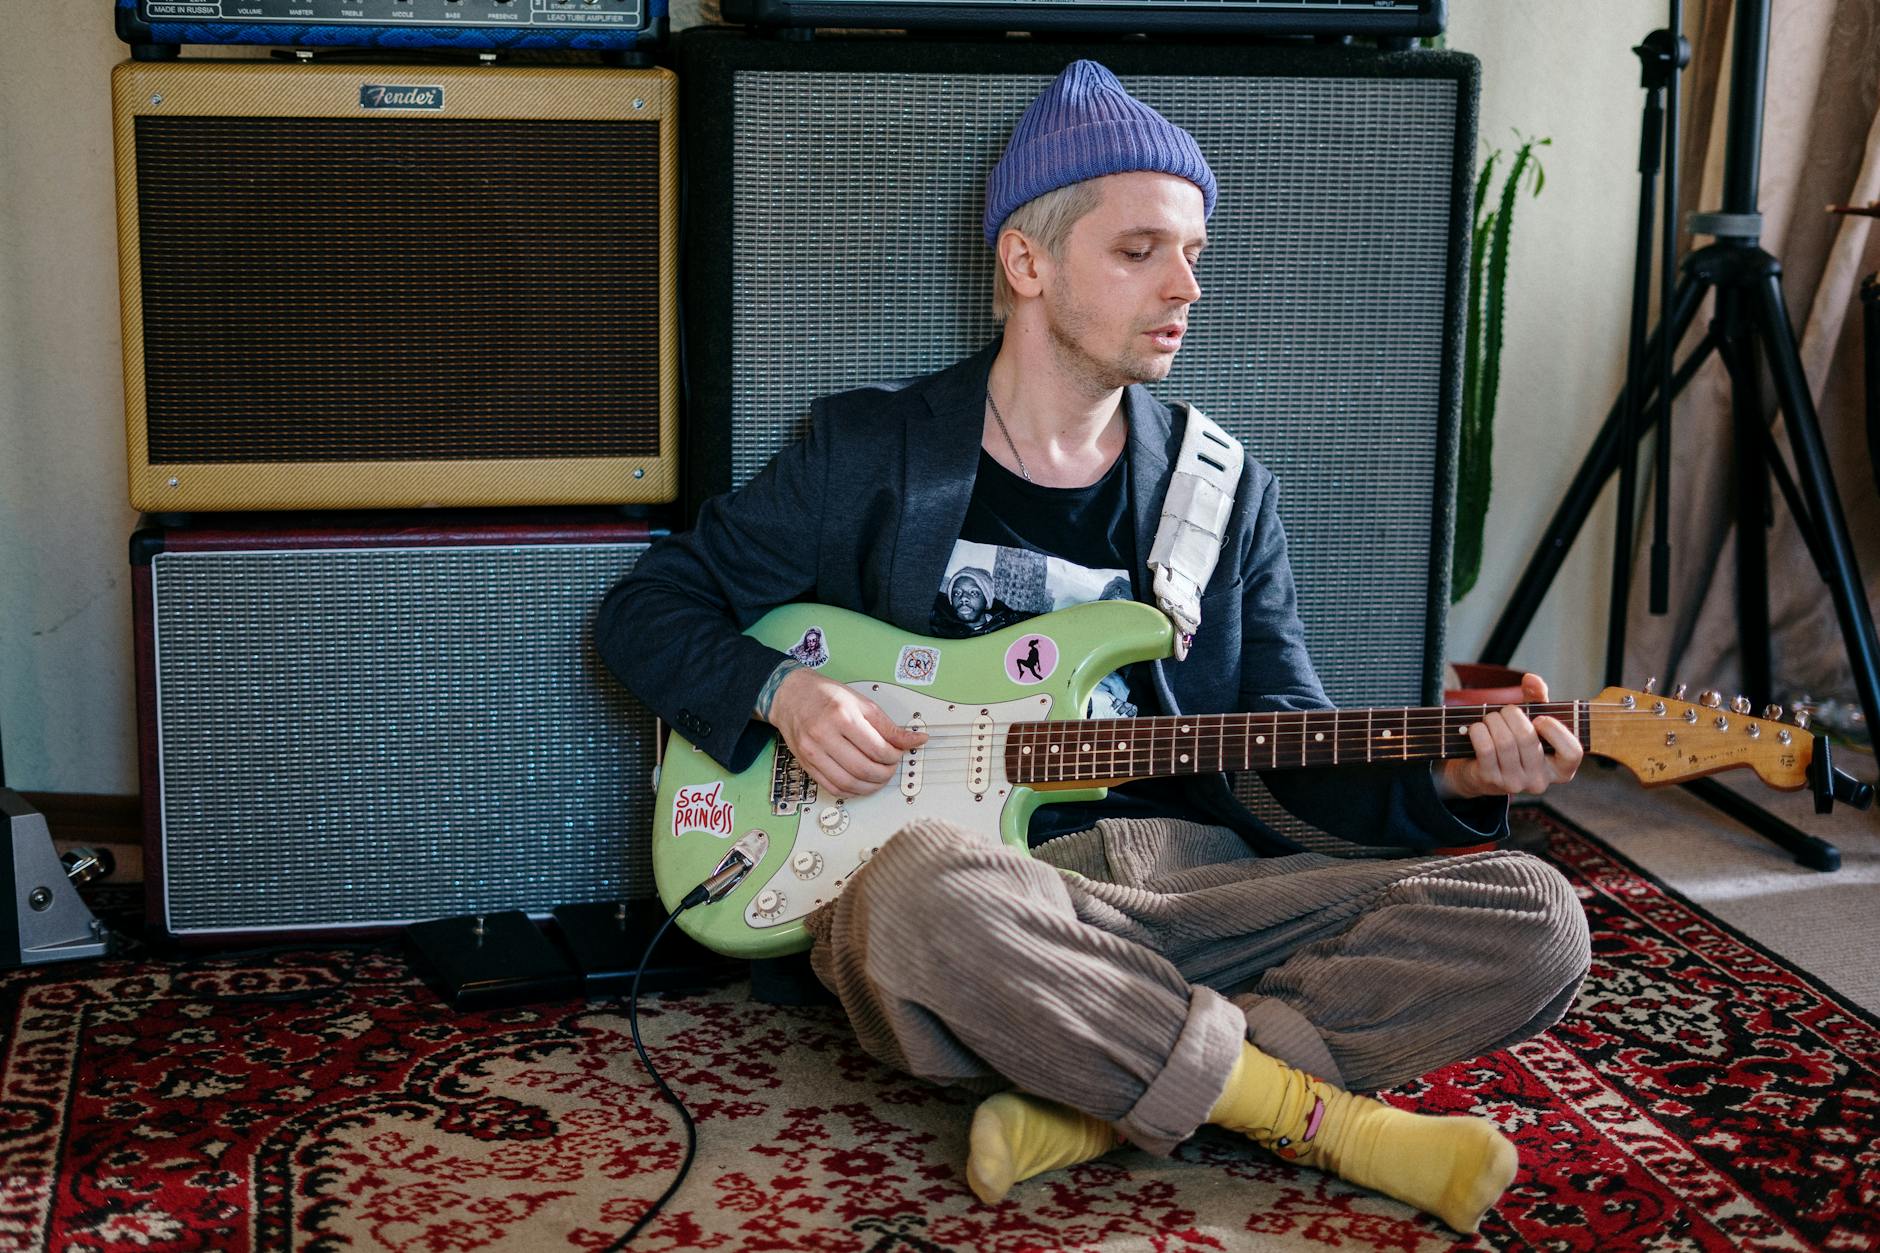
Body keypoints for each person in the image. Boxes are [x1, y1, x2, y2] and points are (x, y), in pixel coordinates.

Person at [596, 60, 1588, 1235]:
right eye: (1139, 251)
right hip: (987, 901)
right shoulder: (868, 452)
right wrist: (783, 691)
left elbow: (1286, 735)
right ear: (1027, 262)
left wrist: (1451, 779)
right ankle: (1320, 1116)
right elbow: (647, 609)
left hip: (1191, 882)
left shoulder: (1225, 493)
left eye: (1194, 254)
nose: (1186, 285)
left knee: (1536, 913)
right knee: (911, 892)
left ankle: (1093, 1094)